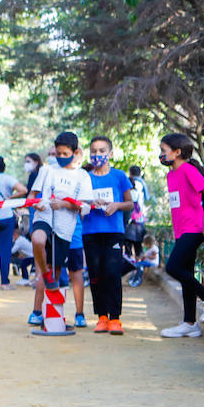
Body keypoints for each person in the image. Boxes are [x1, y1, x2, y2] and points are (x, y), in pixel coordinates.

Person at [158, 132, 204, 337]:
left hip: (194, 228)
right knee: (185, 272)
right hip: (181, 229)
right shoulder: (171, 174)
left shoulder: (187, 169)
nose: (161, 155)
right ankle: (189, 323)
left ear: (177, 152)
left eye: (164, 151)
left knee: (173, 267)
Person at [28, 132, 92, 327]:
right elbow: (32, 196)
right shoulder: (46, 170)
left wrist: (64, 204)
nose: (61, 157)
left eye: (65, 153)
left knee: (54, 275)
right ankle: (38, 303)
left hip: (65, 227)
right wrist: (36, 204)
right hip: (44, 217)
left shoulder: (82, 176)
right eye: (58, 154)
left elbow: (85, 206)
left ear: (76, 152)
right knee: (37, 240)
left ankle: (48, 315)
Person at [82, 136, 134, 335]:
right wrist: (88, 203)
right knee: (95, 274)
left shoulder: (119, 176)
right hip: (90, 231)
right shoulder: (85, 177)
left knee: (112, 273)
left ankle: (115, 318)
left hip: (113, 232)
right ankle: (101, 316)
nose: (97, 155)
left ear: (110, 154)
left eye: (102, 151)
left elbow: (129, 203)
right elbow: (78, 202)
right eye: (94, 151)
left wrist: (116, 205)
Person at [0, 155, 26, 290]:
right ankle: (5, 282)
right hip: (6, 216)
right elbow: (23, 190)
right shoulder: (8, 178)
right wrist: (10, 198)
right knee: (5, 251)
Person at [123, 164, 149, 258]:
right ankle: (140, 268)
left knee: (128, 247)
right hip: (140, 219)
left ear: (130, 173)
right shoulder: (143, 183)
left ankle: (129, 265)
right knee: (139, 246)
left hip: (130, 220)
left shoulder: (128, 183)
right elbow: (147, 199)